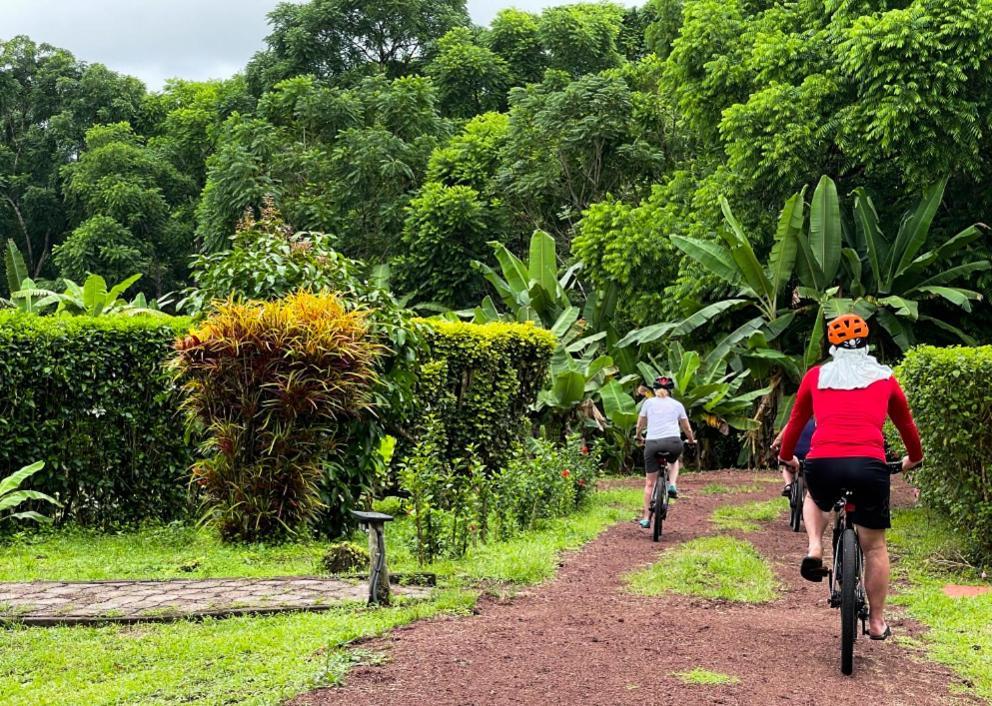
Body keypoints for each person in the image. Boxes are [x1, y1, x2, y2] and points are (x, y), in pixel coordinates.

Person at [777, 314, 923, 641]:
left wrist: (788, 457)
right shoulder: (885, 378)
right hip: (869, 465)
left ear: (831, 347)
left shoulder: (816, 376)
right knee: (875, 547)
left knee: (815, 497)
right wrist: (914, 458)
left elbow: (797, 421)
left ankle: (815, 547)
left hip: (824, 463)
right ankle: (877, 621)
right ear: (866, 345)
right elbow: (906, 424)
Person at [636, 375, 697, 528]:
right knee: (674, 460)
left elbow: (640, 424)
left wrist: (638, 436)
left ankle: (646, 518)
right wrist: (690, 440)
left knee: (650, 483)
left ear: (654, 389)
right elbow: (686, 427)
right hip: (673, 443)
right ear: (671, 391)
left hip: (652, 443)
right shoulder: (677, 405)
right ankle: (673, 485)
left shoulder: (648, 403)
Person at [772, 418, 815, 496]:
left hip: (794, 454)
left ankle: (788, 484)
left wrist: (774, 446)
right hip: (811, 454)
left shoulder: (793, 422)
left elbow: (779, 440)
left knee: (785, 465)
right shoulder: (819, 423)